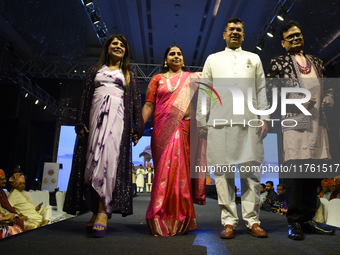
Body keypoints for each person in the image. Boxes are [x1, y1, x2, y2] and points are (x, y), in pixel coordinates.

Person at [63, 34, 144, 238]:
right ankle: (95, 209)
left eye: (122, 45)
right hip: (95, 118)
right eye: (114, 43)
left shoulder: (129, 74)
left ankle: (103, 211)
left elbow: (135, 101)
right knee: (90, 165)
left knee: (108, 162)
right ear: (107, 48)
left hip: (117, 120)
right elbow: (85, 96)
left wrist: (138, 127)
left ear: (125, 51)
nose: (118, 46)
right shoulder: (94, 71)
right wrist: (80, 122)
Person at [197, 17, 269, 239]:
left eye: (239, 29)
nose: (235, 32)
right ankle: (229, 221)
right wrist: (202, 119)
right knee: (222, 174)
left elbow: (261, 90)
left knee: (251, 175)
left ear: (244, 35)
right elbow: (205, 91)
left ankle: (252, 220)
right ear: (224, 34)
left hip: (249, 123)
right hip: (220, 123)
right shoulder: (212, 59)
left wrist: (264, 117)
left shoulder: (253, 58)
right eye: (231, 29)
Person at [266, 20, 335, 240]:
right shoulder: (277, 63)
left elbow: (328, 87)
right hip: (294, 124)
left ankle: (308, 219)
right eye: (290, 37)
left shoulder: (316, 61)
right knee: (295, 175)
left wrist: (328, 99)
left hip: (317, 125)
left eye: (298, 34)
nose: (296, 38)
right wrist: (295, 103)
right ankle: (294, 222)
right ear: (283, 43)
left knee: (313, 173)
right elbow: (271, 95)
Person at [142, 45, 204, 237]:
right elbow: (149, 104)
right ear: (166, 59)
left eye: (179, 53)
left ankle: (181, 216)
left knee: (180, 172)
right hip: (161, 131)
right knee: (162, 173)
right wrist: (137, 126)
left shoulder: (194, 78)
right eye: (172, 54)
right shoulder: (157, 79)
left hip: (184, 130)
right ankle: (158, 215)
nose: (176, 56)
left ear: (183, 60)